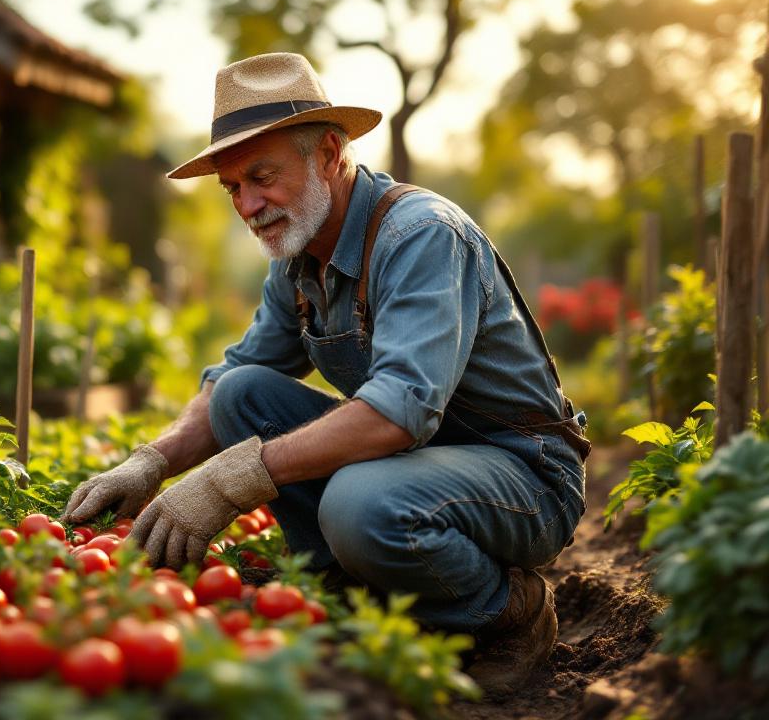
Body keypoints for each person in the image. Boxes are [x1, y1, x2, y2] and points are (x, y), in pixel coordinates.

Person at [60, 52, 590, 694]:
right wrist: (152, 460)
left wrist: (231, 481)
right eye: (232, 187)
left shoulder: (420, 236)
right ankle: (348, 591)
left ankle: (509, 612)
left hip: (521, 474)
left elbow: (398, 413)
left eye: (262, 176)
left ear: (331, 153)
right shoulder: (298, 260)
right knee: (240, 395)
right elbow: (238, 372)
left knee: (362, 505)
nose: (249, 204)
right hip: (422, 465)